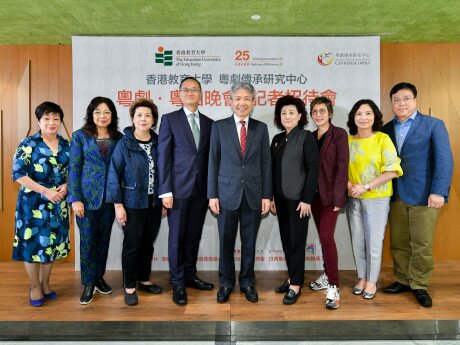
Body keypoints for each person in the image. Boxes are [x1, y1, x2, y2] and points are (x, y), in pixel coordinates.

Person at [382, 82, 453, 307]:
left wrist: (439, 192)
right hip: (395, 196)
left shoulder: (433, 125)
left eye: (406, 99)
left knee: (421, 243)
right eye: (396, 100)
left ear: (415, 100)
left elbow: (444, 161)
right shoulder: (386, 129)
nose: (401, 103)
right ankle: (403, 279)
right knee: (399, 242)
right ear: (391, 103)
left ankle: (419, 284)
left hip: (425, 195)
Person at [208, 82, 272, 304]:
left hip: (253, 194)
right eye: (238, 98)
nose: (242, 103)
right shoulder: (219, 127)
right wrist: (212, 195)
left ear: (253, 102)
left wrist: (267, 195)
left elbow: (266, 163)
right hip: (225, 194)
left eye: (247, 99)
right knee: (226, 243)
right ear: (230, 101)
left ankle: (247, 282)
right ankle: (225, 283)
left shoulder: (261, 128)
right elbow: (213, 161)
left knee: (249, 243)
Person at [158, 77, 214, 306]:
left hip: (201, 191)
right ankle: (178, 283)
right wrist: (165, 191)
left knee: (193, 236)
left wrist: (213, 191)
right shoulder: (170, 120)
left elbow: (211, 159)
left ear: (201, 94)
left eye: (195, 90)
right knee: (177, 238)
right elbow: (163, 156)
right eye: (186, 90)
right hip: (177, 191)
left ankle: (190, 275)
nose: (190, 93)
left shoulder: (210, 123)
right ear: (179, 94)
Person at [106, 98, 165, 306]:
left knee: (148, 244)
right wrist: (118, 204)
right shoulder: (125, 143)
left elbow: (165, 172)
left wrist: (164, 197)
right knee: (132, 245)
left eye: (148, 115)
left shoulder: (159, 142)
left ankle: (143, 279)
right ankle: (129, 285)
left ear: (154, 120)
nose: (143, 119)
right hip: (131, 202)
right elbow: (114, 173)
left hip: (155, 203)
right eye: (139, 115)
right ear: (133, 118)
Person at [12, 101, 70, 307]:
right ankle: (34, 285)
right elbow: (18, 174)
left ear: (61, 121)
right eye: (47, 118)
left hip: (58, 203)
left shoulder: (67, 145)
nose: (51, 122)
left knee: (51, 245)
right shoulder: (28, 144)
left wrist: (66, 185)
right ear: (39, 121)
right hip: (32, 203)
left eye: (56, 118)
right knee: (32, 245)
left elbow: (73, 172)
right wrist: (45, 191)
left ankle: (46, 283)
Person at [68, 97, 123, 305]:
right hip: (86, 199)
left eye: (107, 112)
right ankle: (88, 283)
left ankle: (99, 277)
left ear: (112, 115)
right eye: (98, 112)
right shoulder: (80, 137)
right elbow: (74, 168)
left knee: (103, 240)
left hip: (110, 199)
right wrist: (75, 199)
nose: (102, 116)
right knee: (88, 241)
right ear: (91, 114)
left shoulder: (119, 137)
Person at [346, 99, 403, 300]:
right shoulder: (348, 141)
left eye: (368, 113)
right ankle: (362, 277)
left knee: (374, 242)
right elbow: (339, 169)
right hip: (353, 198)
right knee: (358, 241)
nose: (363, 117)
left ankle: (372, 281)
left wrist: (366, 187)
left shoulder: (382, 139)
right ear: (353, 117)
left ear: (375, 117)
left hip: (377, 198)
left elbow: (393, 170)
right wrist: (349, 186)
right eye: (359, 113)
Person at [270, 95, 319, 305]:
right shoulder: (277, 139)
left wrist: (307, 199)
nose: (287, 116)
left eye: (291, 112)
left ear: (300, 116)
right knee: (287, 240)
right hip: (280, 200)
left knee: (297, 242)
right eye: (283, 113)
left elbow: (313, 169)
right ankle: (292, 277)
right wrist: (271, 195)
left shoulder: (306, 137)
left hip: (299, 201)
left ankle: (296, 285)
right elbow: (271, 170)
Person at [308, 96, 349, 309]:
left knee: (326, 237)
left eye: (322, 111)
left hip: (330, 197)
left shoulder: (339, 134)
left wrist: (338, 197)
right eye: (314, 111)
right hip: (313, 197)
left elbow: (343, 168)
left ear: (330, 113)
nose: (318, 115)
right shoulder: (310, 136)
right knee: (324, 238)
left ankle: (333, 285)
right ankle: (326, 274)